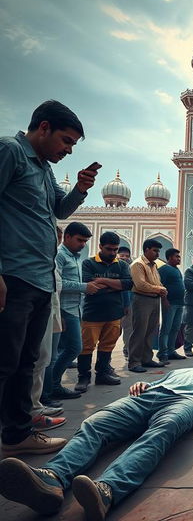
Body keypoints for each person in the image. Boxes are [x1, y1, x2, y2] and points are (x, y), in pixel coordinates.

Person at [0, 368, 193, 521]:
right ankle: (52, 478)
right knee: (95, 423)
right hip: (148, 395)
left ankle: (107, 490)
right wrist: (146, 383)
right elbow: (153, 382)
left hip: (186, 403)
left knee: (157, 435)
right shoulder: (175, 372)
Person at [0, 100, 99, 455]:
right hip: (14, 276)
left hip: (41, 280)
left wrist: (82, 188)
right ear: (43, 128)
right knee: (5, 361)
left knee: (25, 362)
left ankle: (16, 435)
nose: (69, 150)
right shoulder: (10, 151)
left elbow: (61, 210)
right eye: (67, 141)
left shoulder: (43, 168)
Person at [50, 222, 101, 399]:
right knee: (73, 349)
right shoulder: (59, 255)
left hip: (74, 308)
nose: (83, 244)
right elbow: (58, 283)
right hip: (64, 308)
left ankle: (51, 387)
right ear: (67, 237)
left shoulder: (74, 256)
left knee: (62, 351)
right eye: (80, 240)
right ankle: (52, 386)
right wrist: (84, 287)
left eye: (85, 241)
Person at [77, 231, 133, 390]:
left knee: (107, 345)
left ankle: (102, 374)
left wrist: (101, 280)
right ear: (100, 246)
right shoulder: (88, 263)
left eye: (115, 249)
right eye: (109, 249)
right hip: (92, 313)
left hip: (114, 313)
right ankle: (83, 377)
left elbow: (128, 285)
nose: (113, 253)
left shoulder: (121, 264)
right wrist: (115, 285)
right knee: (87, 346)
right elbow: (89, 286)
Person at [31, 226, 66, 429]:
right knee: (32, 359)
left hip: (50, 308)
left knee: (42, 358)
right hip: (35, 307)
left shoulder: (51, 258)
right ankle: (29, 411)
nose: (56, 242)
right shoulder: (34, 256)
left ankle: (36, 406)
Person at [128, 239, 168, 373]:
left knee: (151, 331)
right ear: (146, 250)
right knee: (139, 331)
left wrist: (161, 289)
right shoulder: (138, 264)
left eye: (158, 251)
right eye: (155, 250)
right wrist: (159, 289)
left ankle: (146, 359)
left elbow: (157, 281)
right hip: (142, 300)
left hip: (154, 300)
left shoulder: (153, 265)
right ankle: (134, 362)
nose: (157, 254)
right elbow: (140, 284)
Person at [158, 248, 186, 364]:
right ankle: (162, 353)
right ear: (169, 258)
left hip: (179, 303)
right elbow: (160, 285)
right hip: (170, 303)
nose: (179, 259)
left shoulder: (176, 270)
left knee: (175, 328)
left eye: (179, 257)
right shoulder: (164, 269)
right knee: (166, 328)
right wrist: (164, 300)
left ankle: (171, 351)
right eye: (176, 256)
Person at [117, 246, 133, 358]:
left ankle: (127, 348)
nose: (124, 258)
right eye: (122, 255)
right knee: (113, 331)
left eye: (127, 256)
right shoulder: (113, 267)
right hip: (115, 303)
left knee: (128, 328)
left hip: (129, 302)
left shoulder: (132, 268)